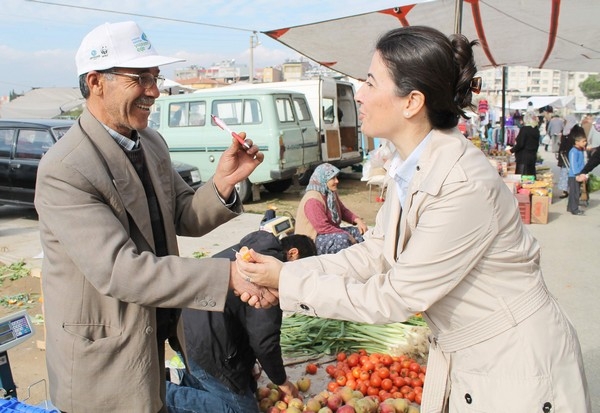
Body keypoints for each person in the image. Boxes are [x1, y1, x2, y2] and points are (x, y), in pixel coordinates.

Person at [237, 26, 591, 412]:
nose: (359, 94)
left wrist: (286, 283)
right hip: (473, 356)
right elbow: (375, 252)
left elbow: (395, 296)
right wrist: (289, 275)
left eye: (370, 82)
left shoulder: (461, 184)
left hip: (514, 363)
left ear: (412, 102)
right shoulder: (411, 167)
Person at [34, 21, 275, 413]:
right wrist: (226, 275)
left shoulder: (150, 142)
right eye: (139, 78)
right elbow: (119, 271)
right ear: (95, 82)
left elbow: (182, 215)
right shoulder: (66, 168)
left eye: (155, 77)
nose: (154, 91)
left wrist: (223, 183)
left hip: (152, 339)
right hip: (104, 362)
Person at [166, 232, 317, 413]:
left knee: (248, 388)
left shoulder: (253, 250)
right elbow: (264, 341)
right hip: (202, 345)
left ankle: (178, 378)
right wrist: (282, 382)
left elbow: (244, 317)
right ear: (293, 254)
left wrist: (248, 363)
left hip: (188, 328)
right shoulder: (266, 274)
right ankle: (162, 394)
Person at [294, 163, 368, 255]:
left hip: (329, 233)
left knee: (359, 232)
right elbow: (322, 227)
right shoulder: (313, 200)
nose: (337, 181)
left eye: (336, 177)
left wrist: (358, 221)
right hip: (311, 240)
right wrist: (347, 235)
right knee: (343, 240)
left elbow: (343, 210)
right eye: (332, 178)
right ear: (323, 179)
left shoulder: (330, 193)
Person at [556, 125, 581, 199]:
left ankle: (574, 191)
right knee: (565, 174)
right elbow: (562, 145)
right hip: (565, 155)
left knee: (573, 173)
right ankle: (565, 191)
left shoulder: (577, 130)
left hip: (573, 154)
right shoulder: (565, 131)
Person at [567, 134, 588, 215]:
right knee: (575, 193)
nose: (585, 143)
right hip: (574, 175)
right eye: (583, 141)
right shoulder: (573, 151)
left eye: (585, 141)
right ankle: (574, 209)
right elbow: (573, 164)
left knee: (575, 192)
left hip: (579, 174)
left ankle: (570, 207)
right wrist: (577, 174)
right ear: (577, 142)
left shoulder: (580, 150)